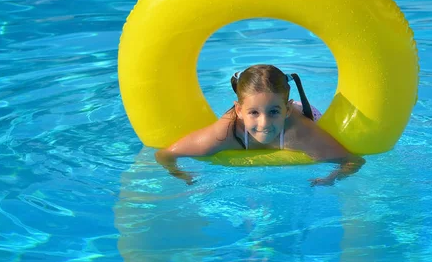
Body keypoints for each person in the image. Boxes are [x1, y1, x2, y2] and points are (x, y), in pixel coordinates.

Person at [155, 64, 365, 186]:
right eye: (254, 113)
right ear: (238, 110)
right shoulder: (226, 132)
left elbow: (353, 161)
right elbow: (165, 155)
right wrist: (184, 176)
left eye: (273, 112)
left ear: (286, 109)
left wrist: (330, 179)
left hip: (304, 116)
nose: (264, 123)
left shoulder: (299, 133)